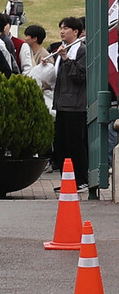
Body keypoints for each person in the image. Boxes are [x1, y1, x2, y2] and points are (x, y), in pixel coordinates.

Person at [50, 17, 88, 190]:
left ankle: (81, 180)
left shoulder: (81, 51)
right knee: (61, 145)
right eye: (61, 28)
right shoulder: (62, 50)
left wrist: (65, 59)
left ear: (76, 32)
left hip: (76, 106)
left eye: (66, 28)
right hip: (62, 104)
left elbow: (80, 76)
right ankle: (67, 181)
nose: (62, 31)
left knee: (75, 145)